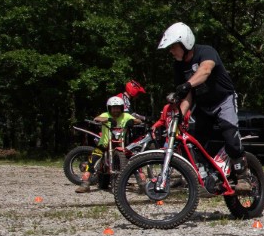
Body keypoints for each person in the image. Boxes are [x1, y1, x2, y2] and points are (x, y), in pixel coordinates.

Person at [157, 22, 249, 191]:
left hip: (224, 100)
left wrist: (187, 84)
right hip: (203, 106)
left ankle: (244, 176)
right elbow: (187, 95)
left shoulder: (206, 51)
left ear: (185, 43)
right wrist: (178, 116)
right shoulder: (178, 65)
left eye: (173, 47)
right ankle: (210, 175)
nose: (171, 51)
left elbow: (205, 70)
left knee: (230, 134)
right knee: (195, 142)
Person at [75, 95, 143, 193]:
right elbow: (97, 118)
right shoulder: (106, 114)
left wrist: (132, 121)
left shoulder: (125, 116)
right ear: (109, 108)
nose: (116, 110)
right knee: (92, 159)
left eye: (118, 108)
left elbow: (139, 120)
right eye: (113, 108)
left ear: (122, 108)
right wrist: (107, 120)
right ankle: (85, 184)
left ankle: (142, 184)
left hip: (120, 145)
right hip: (104, 144)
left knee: (134, 160)